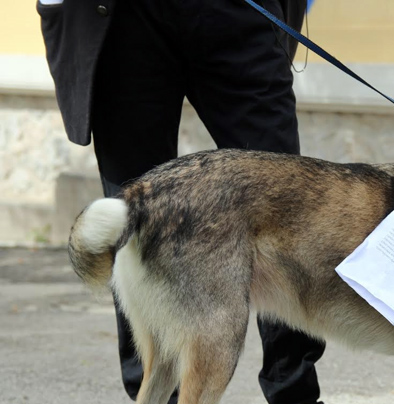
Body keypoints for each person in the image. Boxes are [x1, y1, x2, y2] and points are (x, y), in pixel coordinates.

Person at [37, 0, 325, 403]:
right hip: (121, 19)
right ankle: (154, 395)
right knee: (136, 218)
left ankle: (295, 395)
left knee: (287, 208)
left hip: (236, 11)